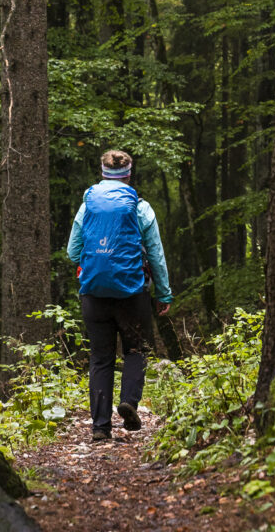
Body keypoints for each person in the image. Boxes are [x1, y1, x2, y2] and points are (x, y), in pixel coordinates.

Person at [66, 150, 172, 441]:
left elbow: (73, 251)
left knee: (100, 358)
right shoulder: (140, 207)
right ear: (128, 173)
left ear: (102, 172)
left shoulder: (87, 206)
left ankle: (100, 428)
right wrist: (164, 294)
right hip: (132, 295)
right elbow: (156, 255)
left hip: (94, 294)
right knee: (135, 351)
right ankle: (128, 402)